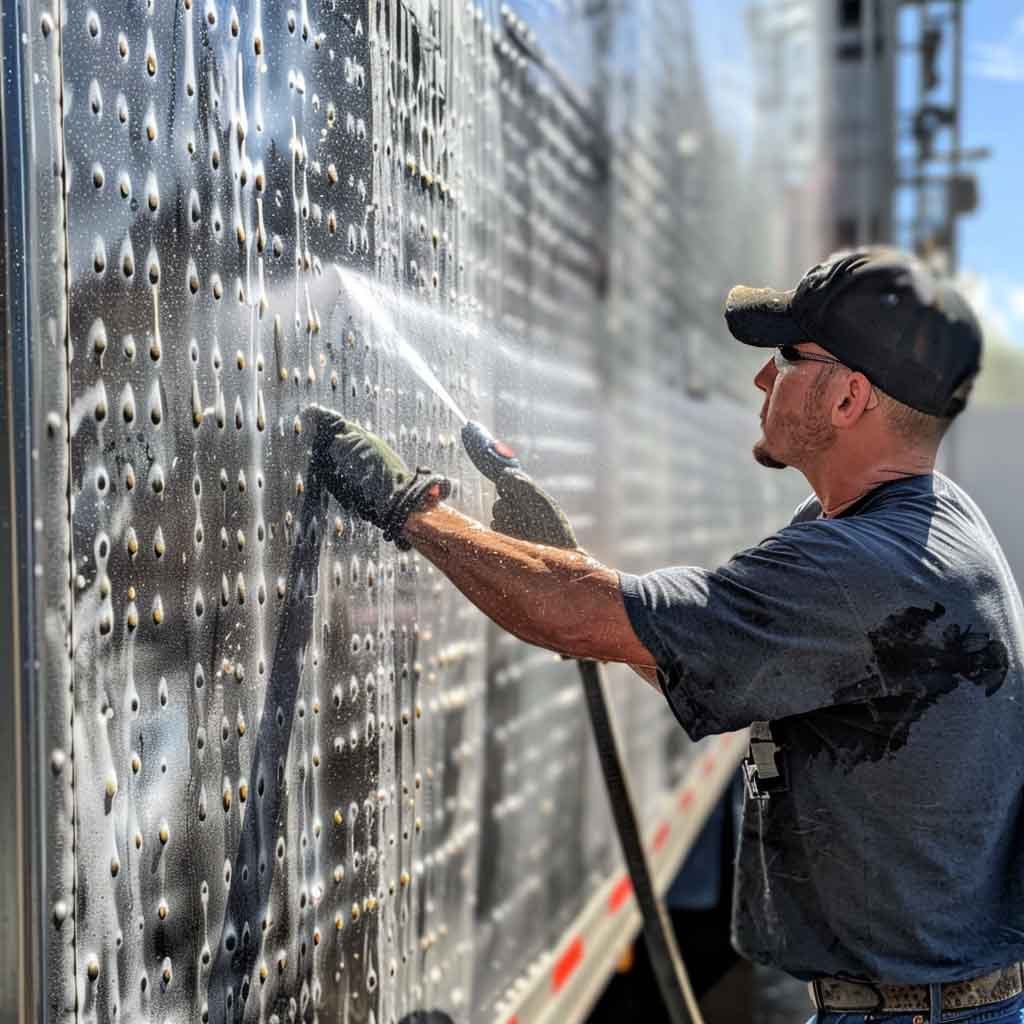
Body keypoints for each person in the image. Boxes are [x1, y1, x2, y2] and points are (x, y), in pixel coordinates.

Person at [308, 248, 1024, 1024]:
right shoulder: (915, 524)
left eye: (786, 358)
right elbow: (702, 652)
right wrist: (585, 595)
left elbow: (594, 618)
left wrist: (409, 508)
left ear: (849, 398)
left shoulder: (866, 568)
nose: (760, 380)